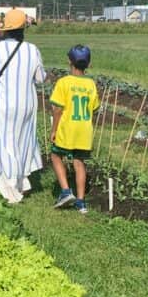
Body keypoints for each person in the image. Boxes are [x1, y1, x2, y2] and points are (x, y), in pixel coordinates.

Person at [0, 8, 47, 203]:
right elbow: (41, 78)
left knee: (4, 141)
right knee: (23, 140)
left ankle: (10, 187)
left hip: (4, 103)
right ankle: (22, 180)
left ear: (5, 29)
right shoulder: (32, 50)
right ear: (23, 29)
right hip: (27, 104)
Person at [49, 45, 99, 214]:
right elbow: (94, 108)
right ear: (88, 64)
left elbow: (57, 109)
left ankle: (65, 192)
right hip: (84, 130)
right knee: (79, 162)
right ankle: (81, 201)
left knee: (56, 155)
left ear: (69, 61)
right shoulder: (91, 84)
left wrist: (54, 130)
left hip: (67, 128)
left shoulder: (64, 82)